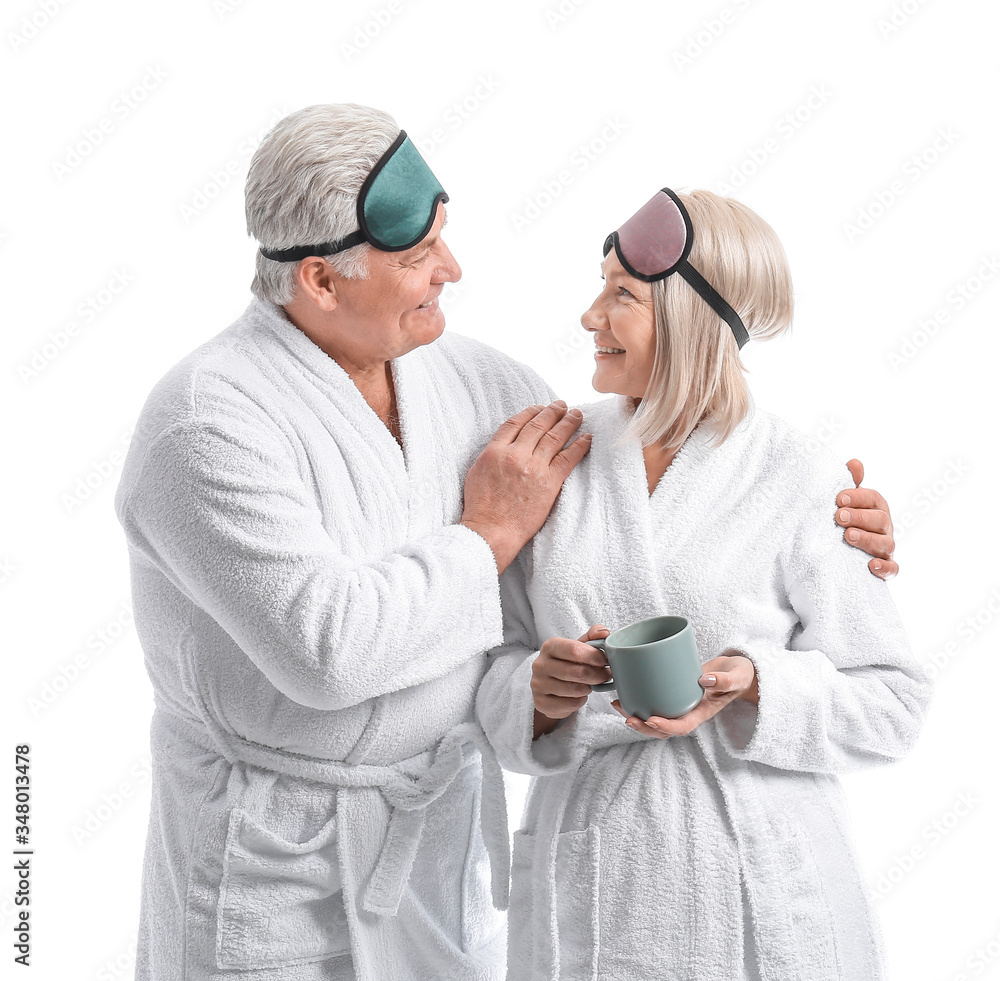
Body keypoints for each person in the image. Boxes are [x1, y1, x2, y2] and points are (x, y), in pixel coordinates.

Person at [113, 103, 897, 981]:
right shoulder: (205, 422)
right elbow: (327, 654)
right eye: (419, 258)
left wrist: (836, 516)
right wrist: (484, 537)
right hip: (273, 862)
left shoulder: (480, 385)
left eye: (444, 237)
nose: (454, 268)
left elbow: (644, 479)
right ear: (323, 282)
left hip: (435, 849)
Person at [476, 188, 930, 980]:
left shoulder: (800, 476)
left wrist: (757, 683)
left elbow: (893, 701)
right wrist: (540, 694)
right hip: (594, 876)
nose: (590, 316)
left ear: (690, 317)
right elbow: (491, 666)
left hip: (757, 880)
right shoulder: (555, 457)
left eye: (622, 294)